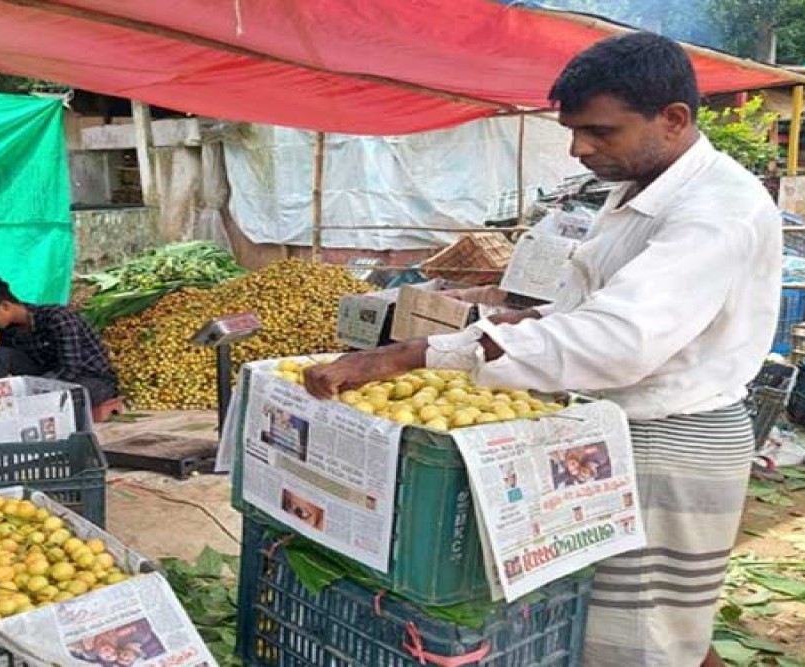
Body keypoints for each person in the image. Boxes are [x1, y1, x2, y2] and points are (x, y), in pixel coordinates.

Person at [303, 32, 780, 667]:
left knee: (645, 643)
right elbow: (596, 311)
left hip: (671, 439)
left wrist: (413, 354)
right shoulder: (643, 187)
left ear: (673, 119)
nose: (580, 148)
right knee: (633, 625)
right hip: (614, 426)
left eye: (599, 132)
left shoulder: (716, 211)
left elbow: (620, 341)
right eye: (573, 131)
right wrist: (513, 322)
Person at [0, 275, 119, 404]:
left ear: (5, 305)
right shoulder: (8, 332)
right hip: (46, 379)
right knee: (2, 355)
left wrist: (30, 391)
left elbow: (70, 370)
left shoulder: (58, 318)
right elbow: (14, 368)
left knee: (59, 399)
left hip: (91, 380)